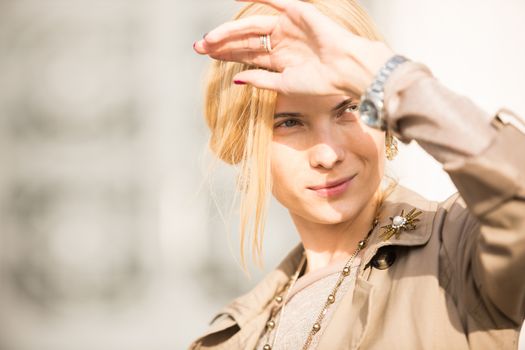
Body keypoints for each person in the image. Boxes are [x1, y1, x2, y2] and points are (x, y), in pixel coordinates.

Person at [190, 0, 525, 348]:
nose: (328, 153)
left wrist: (390, 78)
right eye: (290, 122)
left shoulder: (457, 251)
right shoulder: (233, 338)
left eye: (349, 108)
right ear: (246, 146)